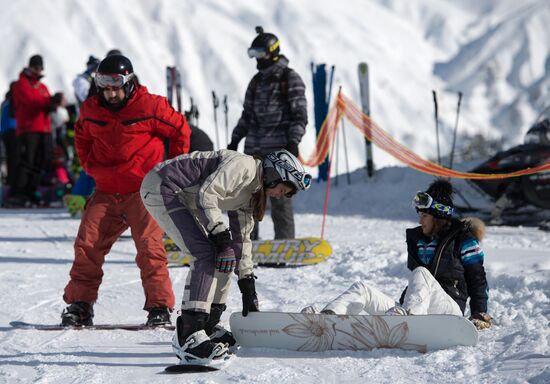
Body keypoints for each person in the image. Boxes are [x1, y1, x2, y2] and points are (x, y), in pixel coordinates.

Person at [140, 149, 312, 365]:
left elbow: (242, 241)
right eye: (282, 188)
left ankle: (207, 327)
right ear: (275, 174)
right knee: (204, 255)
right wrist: (220, 237)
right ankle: (189, 336)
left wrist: (247, 286)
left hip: (185, 197)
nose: (280, 195)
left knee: (223, 259)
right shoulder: (244, 167)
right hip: (163, 187)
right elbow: (207, 195)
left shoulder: (253, 194)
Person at [61, 54, 191, 327]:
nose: (110, 92)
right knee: (87, 246)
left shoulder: (150, 106)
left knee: (149, 247)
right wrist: (90, 166)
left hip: (142, 191)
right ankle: (80, 305)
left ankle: (159, 307)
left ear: (129, 81)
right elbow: (82, 136)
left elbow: (180, 130)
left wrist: (173, 172)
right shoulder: (91, 109)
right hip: (106, 191)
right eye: (104, 85)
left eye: (115, 85)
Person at [304, 179, 492, 331]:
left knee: (420, 273)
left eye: (424, 216)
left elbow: (477, 277)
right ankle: (327, 320)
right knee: (361, 289)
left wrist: (479, 313)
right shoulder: (418, 239)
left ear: (439, 217)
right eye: (419, 215)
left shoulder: (463, 239)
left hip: (448, 312)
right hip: (415, 309)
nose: (420, 220)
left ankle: (406, 322)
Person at [227, 26, 308, 240]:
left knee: (280, 199)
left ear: (272, 52)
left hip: (279, 152)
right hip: (254, 151)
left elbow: (300, 115)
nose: (256, 60)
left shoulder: (289, 79)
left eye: (259, 54)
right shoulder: (256, 81)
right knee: (250, 198)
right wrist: (235, 138)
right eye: (252, 55)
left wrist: (293, 141)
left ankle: (284, 245)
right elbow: (247, 115)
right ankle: (248, 245)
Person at [8, 54, 65, 207]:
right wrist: (50, 101)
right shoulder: (21, 84)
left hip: (44, 129)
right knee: (27, 161)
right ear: (30, 67)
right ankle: (18, 194)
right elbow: (30, 102)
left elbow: (44, 104)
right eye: (36, 67)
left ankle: (31, 192)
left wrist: (53, 104)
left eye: (40, 68)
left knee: (41, 162)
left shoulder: (43, 87)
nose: (38, 70)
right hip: (28, 128)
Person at [0, 83, 18, 192]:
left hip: (4, 132)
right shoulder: (12, 101)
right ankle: (12, 183)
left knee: (8, 158)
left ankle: (8, 181)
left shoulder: (5, 102)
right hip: (12, 132)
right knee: (14, 159)